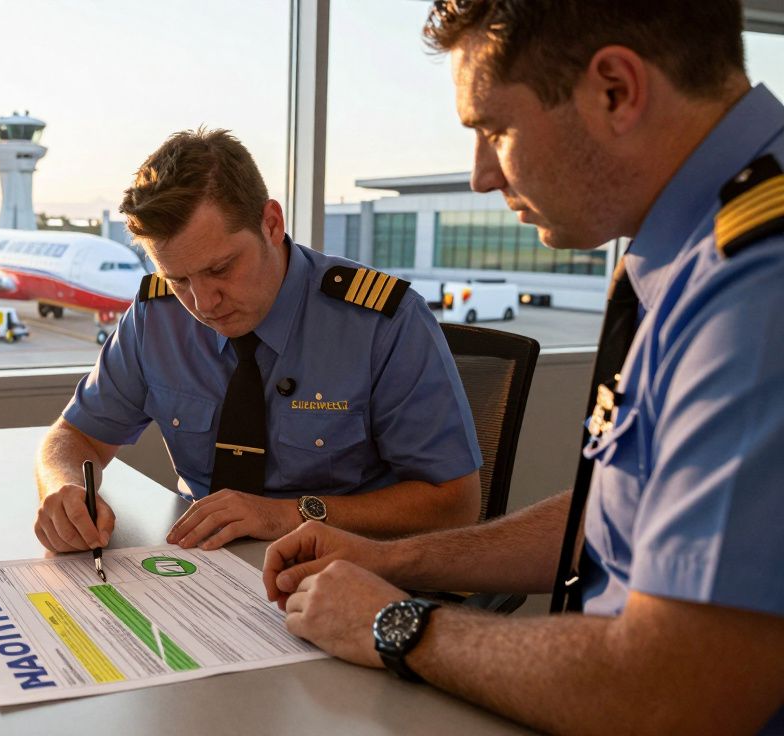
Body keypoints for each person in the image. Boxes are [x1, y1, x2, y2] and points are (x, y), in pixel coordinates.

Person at [262, 1, 784, 733]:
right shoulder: (688, 244)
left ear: (615, 91)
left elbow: (675, 691)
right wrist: (395, 558)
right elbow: (614, 517)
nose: (479, 176)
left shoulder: (758, 286)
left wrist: (396, 624)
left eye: (494, 129)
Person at [33, 128, 483, 555]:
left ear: (271, 223)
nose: (203, 303)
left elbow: (455, 504)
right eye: (178, 280)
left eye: (221, 268)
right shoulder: (157, 319)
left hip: (343, 573)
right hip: (200, 573)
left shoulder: (381, 323)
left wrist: (288, 515)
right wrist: (64, 490)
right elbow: (73, 438)